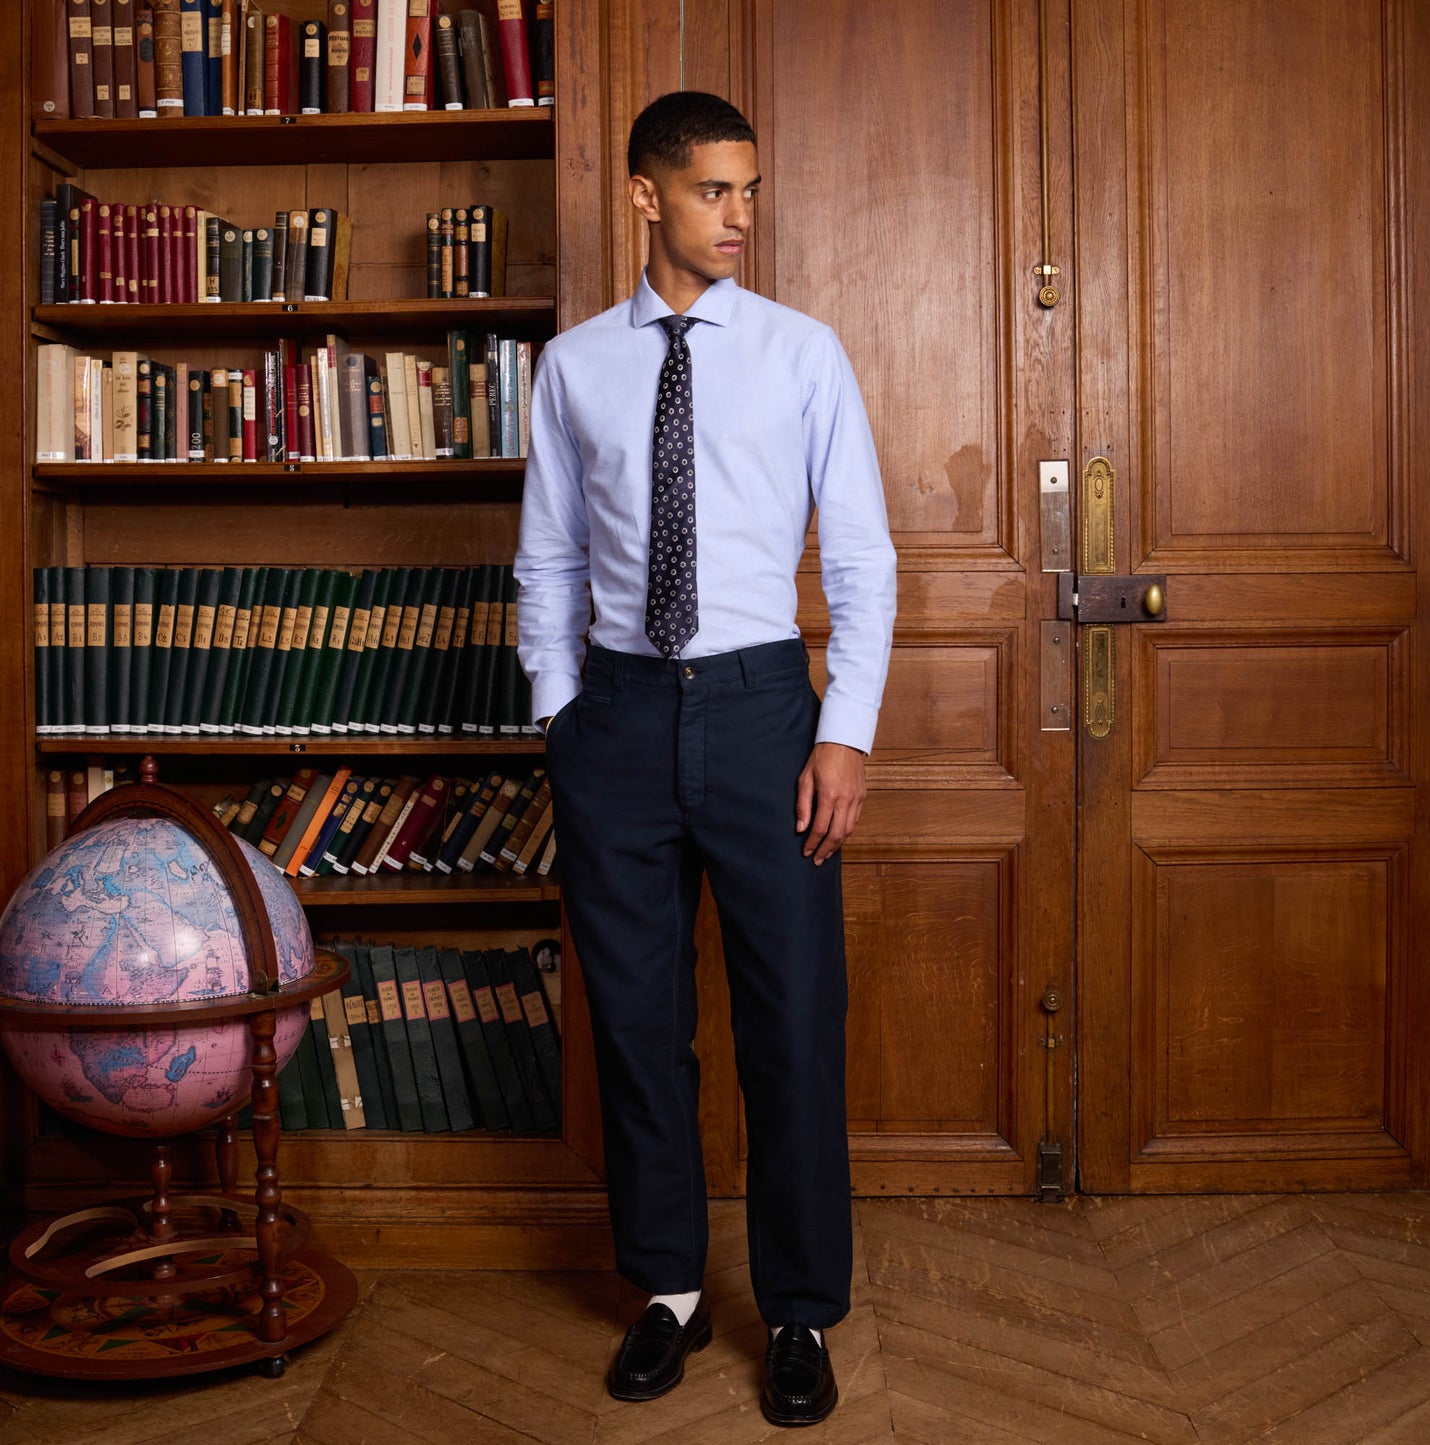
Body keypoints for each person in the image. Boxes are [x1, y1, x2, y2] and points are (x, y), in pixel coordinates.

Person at [515, 90, 896, 1428]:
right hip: (613, 723)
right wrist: (562, 711)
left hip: (759, 715)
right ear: (644, 195)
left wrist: (841, 728)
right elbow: (550, 556)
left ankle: (796, 1310)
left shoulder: (802, 355)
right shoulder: (573, 366)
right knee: (634, 1023)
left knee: (789, 1019)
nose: (741, 214)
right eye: (714, 190)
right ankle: (667, 1291)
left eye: (748, 188)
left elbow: (857, 556)